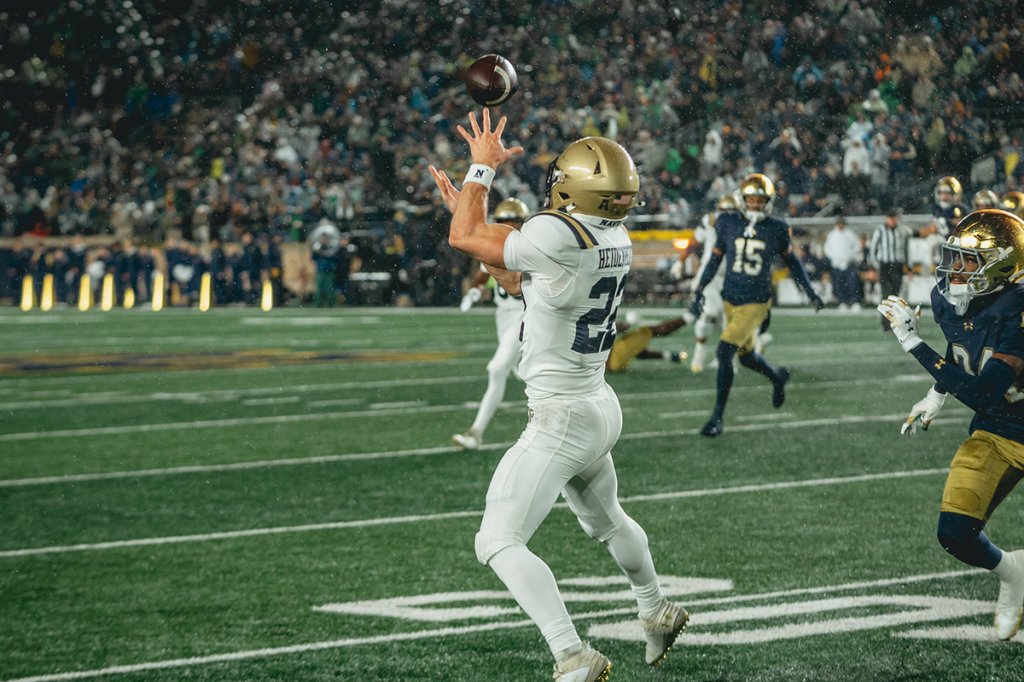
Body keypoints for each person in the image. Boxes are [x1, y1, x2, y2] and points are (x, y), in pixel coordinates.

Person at [429, 109, 688, 682]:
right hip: (597, 404)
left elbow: (465, 238)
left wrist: (480, 170)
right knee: (608, 521)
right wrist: (474, 225)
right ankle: (655, 607)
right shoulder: (612, 235)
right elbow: (518, 278)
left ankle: (572, 653)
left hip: (562, 414)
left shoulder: (558, 233)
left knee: (497, 539)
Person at [876, 208, 1024, 641]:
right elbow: (961, 344)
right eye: (954, 257)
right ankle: (1013, 570)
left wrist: (912, 343)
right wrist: (936, 394)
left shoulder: (1018, 311)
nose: (955, 269)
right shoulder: (951, 299)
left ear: (1004, 265)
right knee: (955, 533)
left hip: (998, 409)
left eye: (968, 261)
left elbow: (982, 391)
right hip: (999, 430)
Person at [690, 173, 824, 437]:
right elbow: (715, 260)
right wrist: (700, 288)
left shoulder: (775, 227)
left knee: (724, 351)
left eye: (759, 200)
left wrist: (809, 290)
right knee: (747, 356)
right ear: (742, 199)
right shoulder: (727, 222)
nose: (754, 205)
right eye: (750, 199)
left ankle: (717, 416)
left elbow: (792, 262)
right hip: (730, 297)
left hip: (756, 301)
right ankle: (777, 377)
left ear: (768, 202)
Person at [452, 198, 530, 451]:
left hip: (525, 315)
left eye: (512, 223)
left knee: (497, 369)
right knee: (525, 373)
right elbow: (482, 276)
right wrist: (474, 292)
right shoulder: (496, 247)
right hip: (504, 316)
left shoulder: (530, 249)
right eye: (503, 222)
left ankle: (476, 433)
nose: (507, 228)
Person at [686, 194, 737, 373]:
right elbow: (694, 242)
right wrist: (681, 260)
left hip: (730, 277)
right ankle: (699, 356)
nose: (727, 215)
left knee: (728, 320)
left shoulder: (741, 226)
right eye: (724, 211)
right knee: (708, 314)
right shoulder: (710, 221)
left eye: (731, 211)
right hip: (710, 276)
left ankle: (726, 360)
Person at [868, 209, 913, 331]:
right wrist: (873, 266)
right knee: (885, 295)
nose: (892, 220)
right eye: (890, 218)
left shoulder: (902, 231)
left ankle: (893, 322)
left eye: (894, 218)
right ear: (886, 218)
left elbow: (905, 250)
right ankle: (885, 323)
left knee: (895, 295)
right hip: (885, 265)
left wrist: (908, 267)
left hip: (897, 265)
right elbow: (873, 249)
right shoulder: (880, 231)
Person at [605, 314, 691, 372]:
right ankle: (689, 317)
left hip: (613, 365)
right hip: (613, 358)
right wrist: (628, 324)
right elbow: (609, 329)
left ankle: (670, 356)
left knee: (637, 350)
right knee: (648, 331)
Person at [824, 216, 863, 310]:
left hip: (849, 263)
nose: (840, 225)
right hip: (837, 264)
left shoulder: (850, 234)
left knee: (852, 283)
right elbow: (827, 249)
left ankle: (855, 302)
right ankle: (842, 302)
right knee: (838, 284)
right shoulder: (832, 235)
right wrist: (835, 258)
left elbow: (857, 247)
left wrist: (851, 257)